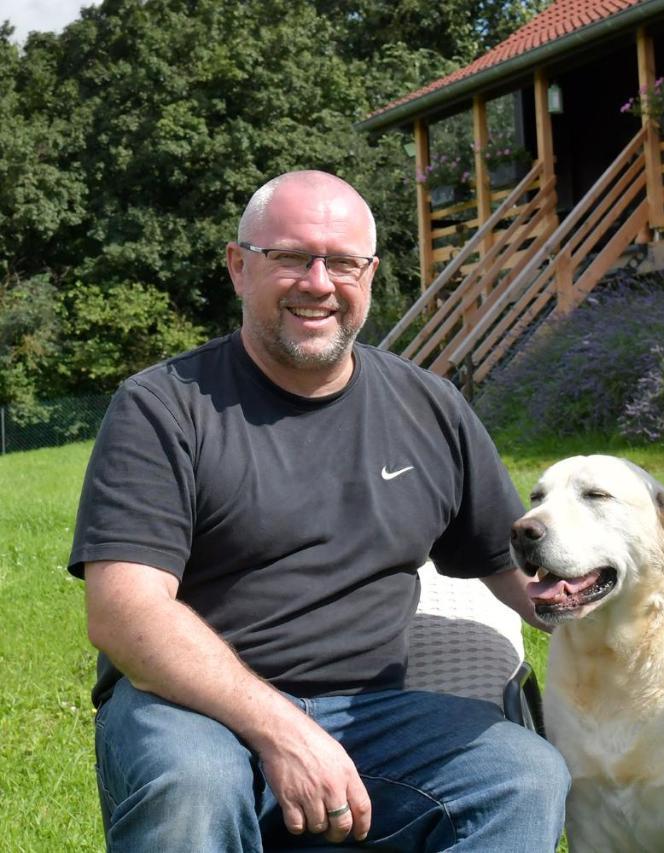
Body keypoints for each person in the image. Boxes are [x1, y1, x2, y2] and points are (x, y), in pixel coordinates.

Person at [68, 170, 569, 852]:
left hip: (372, 715)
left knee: (523, 774)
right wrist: (282, 728)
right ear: (239, 267)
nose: (318, 282)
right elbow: (124, 611)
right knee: (195, 783)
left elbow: (524, 574)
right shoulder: (163, 406)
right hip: (184, 707)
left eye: (342, 262)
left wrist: (649, 597)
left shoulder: (430, 408)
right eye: (291, 258)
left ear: (370, 274)